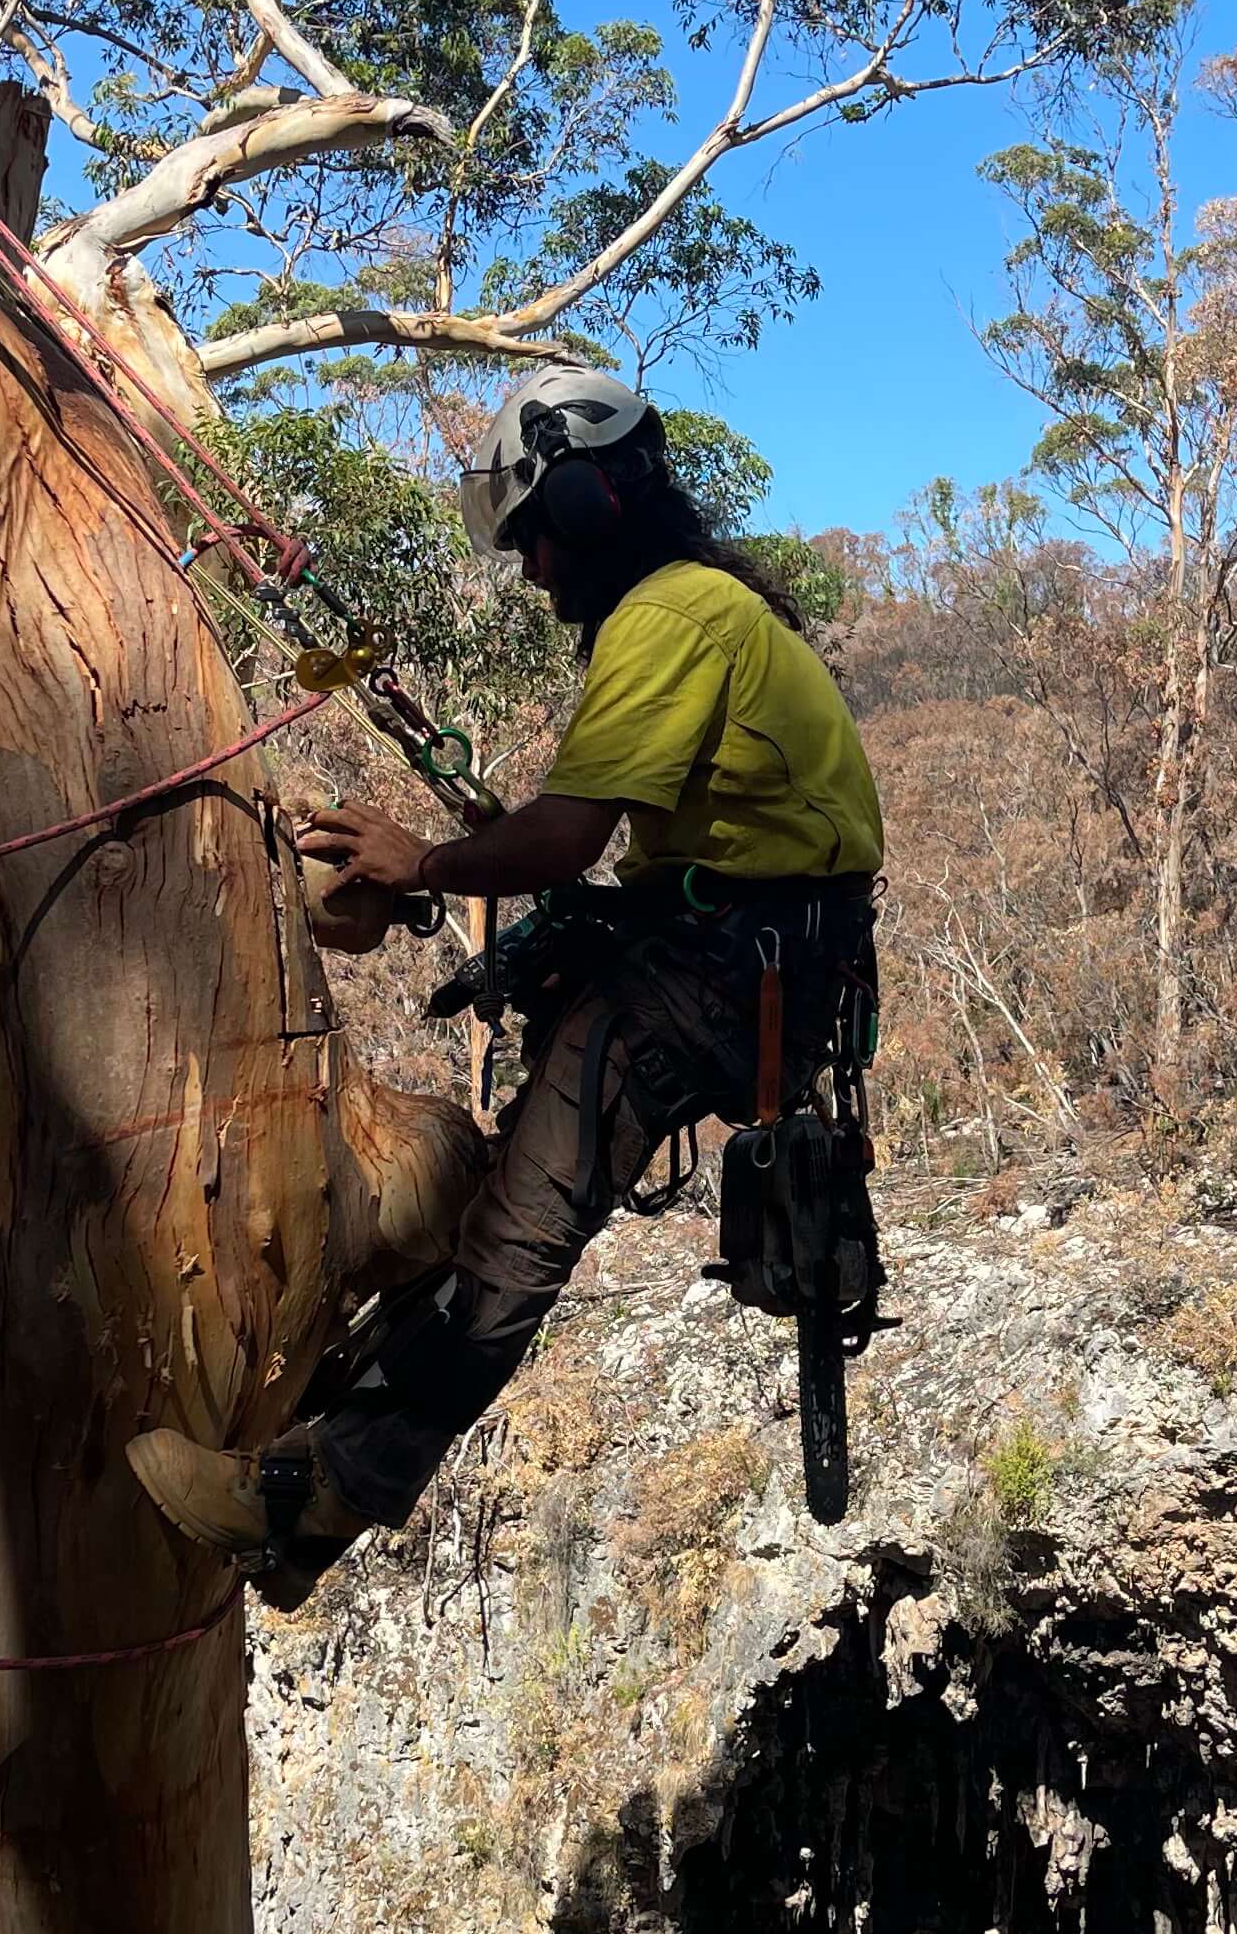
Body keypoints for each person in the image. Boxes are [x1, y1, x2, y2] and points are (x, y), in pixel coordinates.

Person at [127, 368, 883, 1604]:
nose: (532, 572)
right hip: (738, 956)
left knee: (516, 1242)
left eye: (536, 535)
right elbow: (629, 852)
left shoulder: (673, 616)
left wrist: (422, 860)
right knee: (489, 1210)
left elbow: (568, 835)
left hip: (721, 974)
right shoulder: (699, 611)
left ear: (593, 501)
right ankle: (322, 1439)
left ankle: (313, 1499)